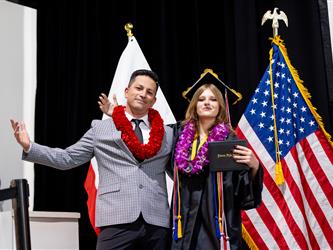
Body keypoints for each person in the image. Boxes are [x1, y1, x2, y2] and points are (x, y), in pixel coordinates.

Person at [11, 69, 174, 250]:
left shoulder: (167, 134)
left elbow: (178, 172)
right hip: (116, 218)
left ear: (154, 100)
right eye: (139, 88)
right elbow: (68, 158)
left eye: (149, 92)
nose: (143, 94)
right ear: (127, 92)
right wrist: (29, 146)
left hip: (156, 220)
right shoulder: (100, 129)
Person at [99, 70, 263, 250]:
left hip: (216, 223)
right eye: (201, 99)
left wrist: (254, 166)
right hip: (182, 220)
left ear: (221, 106)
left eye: (213, 99)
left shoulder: (230, 141)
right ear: (194, 104)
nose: (207, 102)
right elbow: (142, 138)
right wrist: (117, 115)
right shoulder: (176, 134)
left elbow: (245, 196)